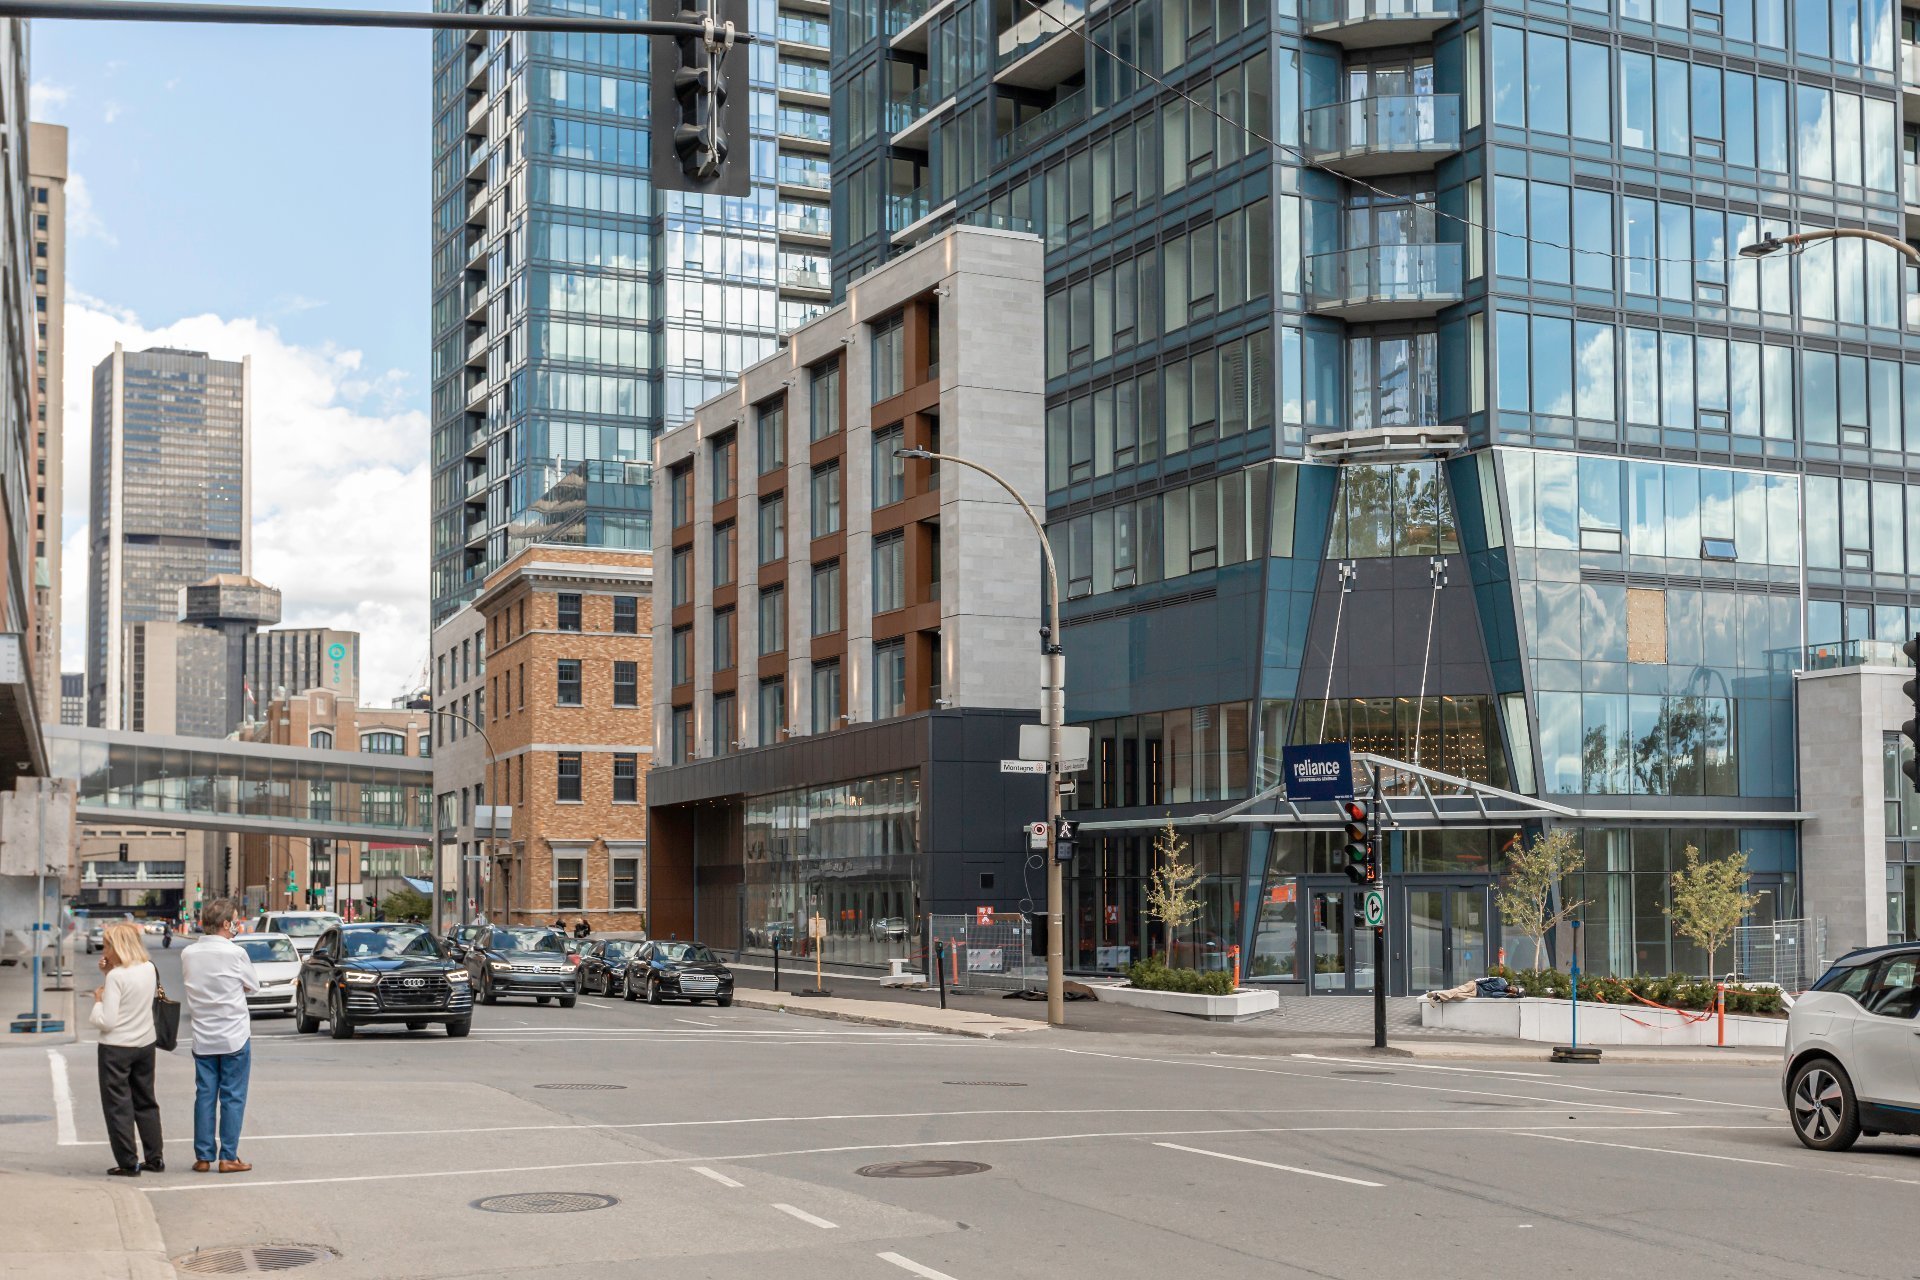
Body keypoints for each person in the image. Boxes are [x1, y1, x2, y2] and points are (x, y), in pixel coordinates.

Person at [180, 898, 258, 1174]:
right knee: (233, 1096)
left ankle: (203, 1156)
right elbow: (253, 985)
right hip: (234, 1034)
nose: (237, 925)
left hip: (203, 1036)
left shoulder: (188, 953)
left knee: (205, 1095)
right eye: (235, 920)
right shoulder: (236, 953)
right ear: (226, 924)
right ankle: (228, 1156)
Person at [89, 922, 162, 1177]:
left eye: (106, 945)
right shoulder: (149, 968)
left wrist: (97, 1001)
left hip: (116, 1048)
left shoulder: (117, 977)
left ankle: (128, 1162)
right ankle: (155, 1158)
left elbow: (108, 1021)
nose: (104, 950)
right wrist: (108, 972)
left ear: (118, 946)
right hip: (145, 1043)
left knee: (118, 1106)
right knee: (146, 1101)